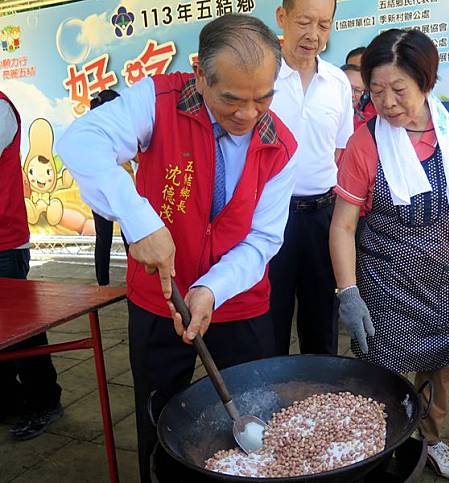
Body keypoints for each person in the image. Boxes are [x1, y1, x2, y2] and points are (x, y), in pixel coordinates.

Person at [58, 15, 298, 482]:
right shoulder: (158, 99)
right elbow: (82, 141)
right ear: (200, 75)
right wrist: (141, 220)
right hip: (158, 297)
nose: (248, 114)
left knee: (247, 421)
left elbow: (263, 240)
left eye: (263, 98)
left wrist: (210, 289)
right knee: (157, 414)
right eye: (232, 98)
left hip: (238, 305)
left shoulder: (281, 144)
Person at [329, 30, 449, 480]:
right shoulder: (366, 143)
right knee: (383, 378)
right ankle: (379, 449)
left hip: (447, 280)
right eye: (376, 90)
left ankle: (433, 440)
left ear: (426, 81)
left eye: (398, 90)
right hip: (387, 286)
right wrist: (349, 293)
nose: (386, 102)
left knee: (440, 370)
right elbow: (343, 225)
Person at [269, 0, 353, 356]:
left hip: (322, 217)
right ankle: (269, 400)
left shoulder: (337, 83)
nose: (314, 35)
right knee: (268, 320)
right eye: (304, 22)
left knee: (322, 323)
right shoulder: (262, 76)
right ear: (281, 17)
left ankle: (321, 401)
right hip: (269, 217)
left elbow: (338, 151)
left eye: (324, 25)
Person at [0, 90, 63, 441]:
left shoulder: (1, 108)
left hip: (5, 244)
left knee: (21, 331)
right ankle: (9, 401)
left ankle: (44, 401)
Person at [89, 89, 133, 286]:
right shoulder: (119, 129)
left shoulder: (92, 131)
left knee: (104, 238)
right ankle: (135, 280)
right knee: (130, 238)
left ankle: (103, 284)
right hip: (121, 191)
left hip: (101, 191)